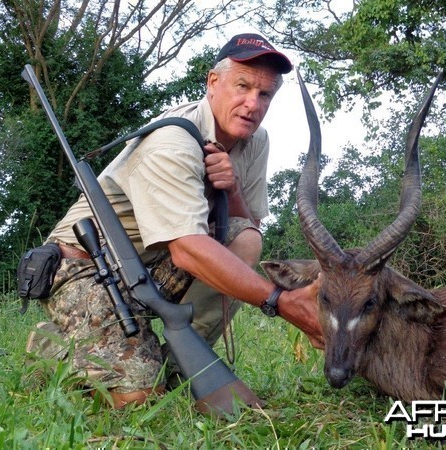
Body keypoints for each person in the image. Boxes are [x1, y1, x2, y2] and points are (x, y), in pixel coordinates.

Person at [25, 33, 323, 408]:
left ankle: (181, 368)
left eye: (265, 95)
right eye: (243, 86)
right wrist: (282, 303)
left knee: (244, 237)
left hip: (149, 266)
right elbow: (187, 252)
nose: (252, 104)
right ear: (213, 82)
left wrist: (231, 191)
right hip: (84, 267)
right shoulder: (173, 139)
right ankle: (53, 349)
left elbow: (250, 229)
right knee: (137, 398)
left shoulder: (256, 140)